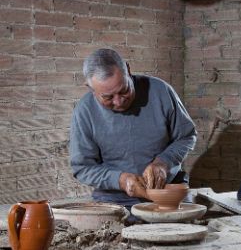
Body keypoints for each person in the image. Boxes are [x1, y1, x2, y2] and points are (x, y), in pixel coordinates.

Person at [69, 48, 197, 210]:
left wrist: (164, 162)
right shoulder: (85, 111)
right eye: (107, 97)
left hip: (168, 191)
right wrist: (120, 180)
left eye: (124, 90)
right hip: (114, 199)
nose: (119, 101)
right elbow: (83, 168)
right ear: (90, 88)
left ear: (128, 71)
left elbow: (187, 136)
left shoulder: (161, 91)